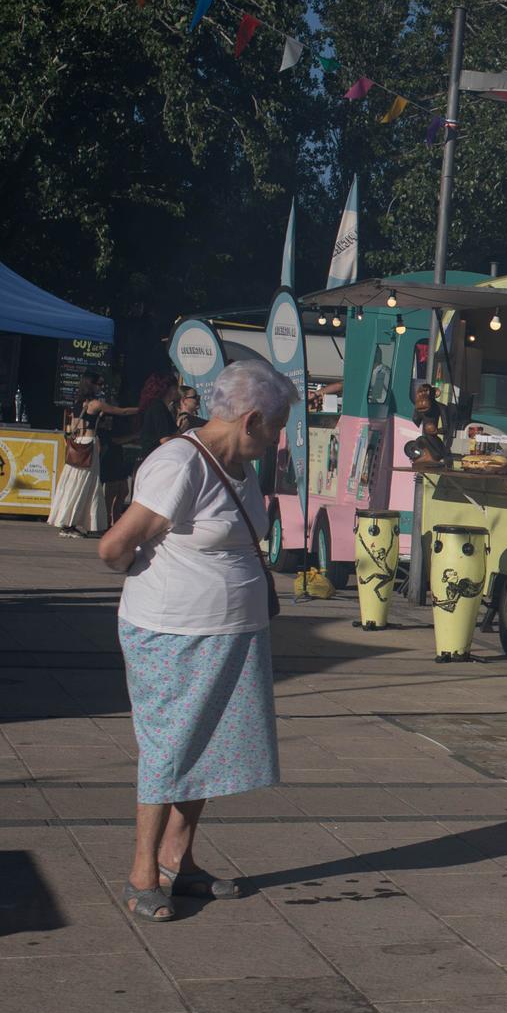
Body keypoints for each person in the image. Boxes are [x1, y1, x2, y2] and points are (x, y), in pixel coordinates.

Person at [97, 360, 297, 923]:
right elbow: (114, 547)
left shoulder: (241, 468)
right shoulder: (179, 463)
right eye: (276, 427)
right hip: (174, 633)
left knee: (210, 748)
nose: (278, 439)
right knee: (170, 748)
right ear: (251, 419)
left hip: (234, 633)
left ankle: (177, 861)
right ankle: (142, 872)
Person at [48, 374, 139, 538]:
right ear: (92, 385)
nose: (101, 387)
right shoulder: (95, 404)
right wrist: (143, 408)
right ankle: (72, 524)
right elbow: (122, 411)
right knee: (86, 485)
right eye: (99, 384)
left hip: (77, 443)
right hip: (88, 444)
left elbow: (72, 426)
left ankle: (70, 522)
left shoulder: (78, 403)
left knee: (73, 483)